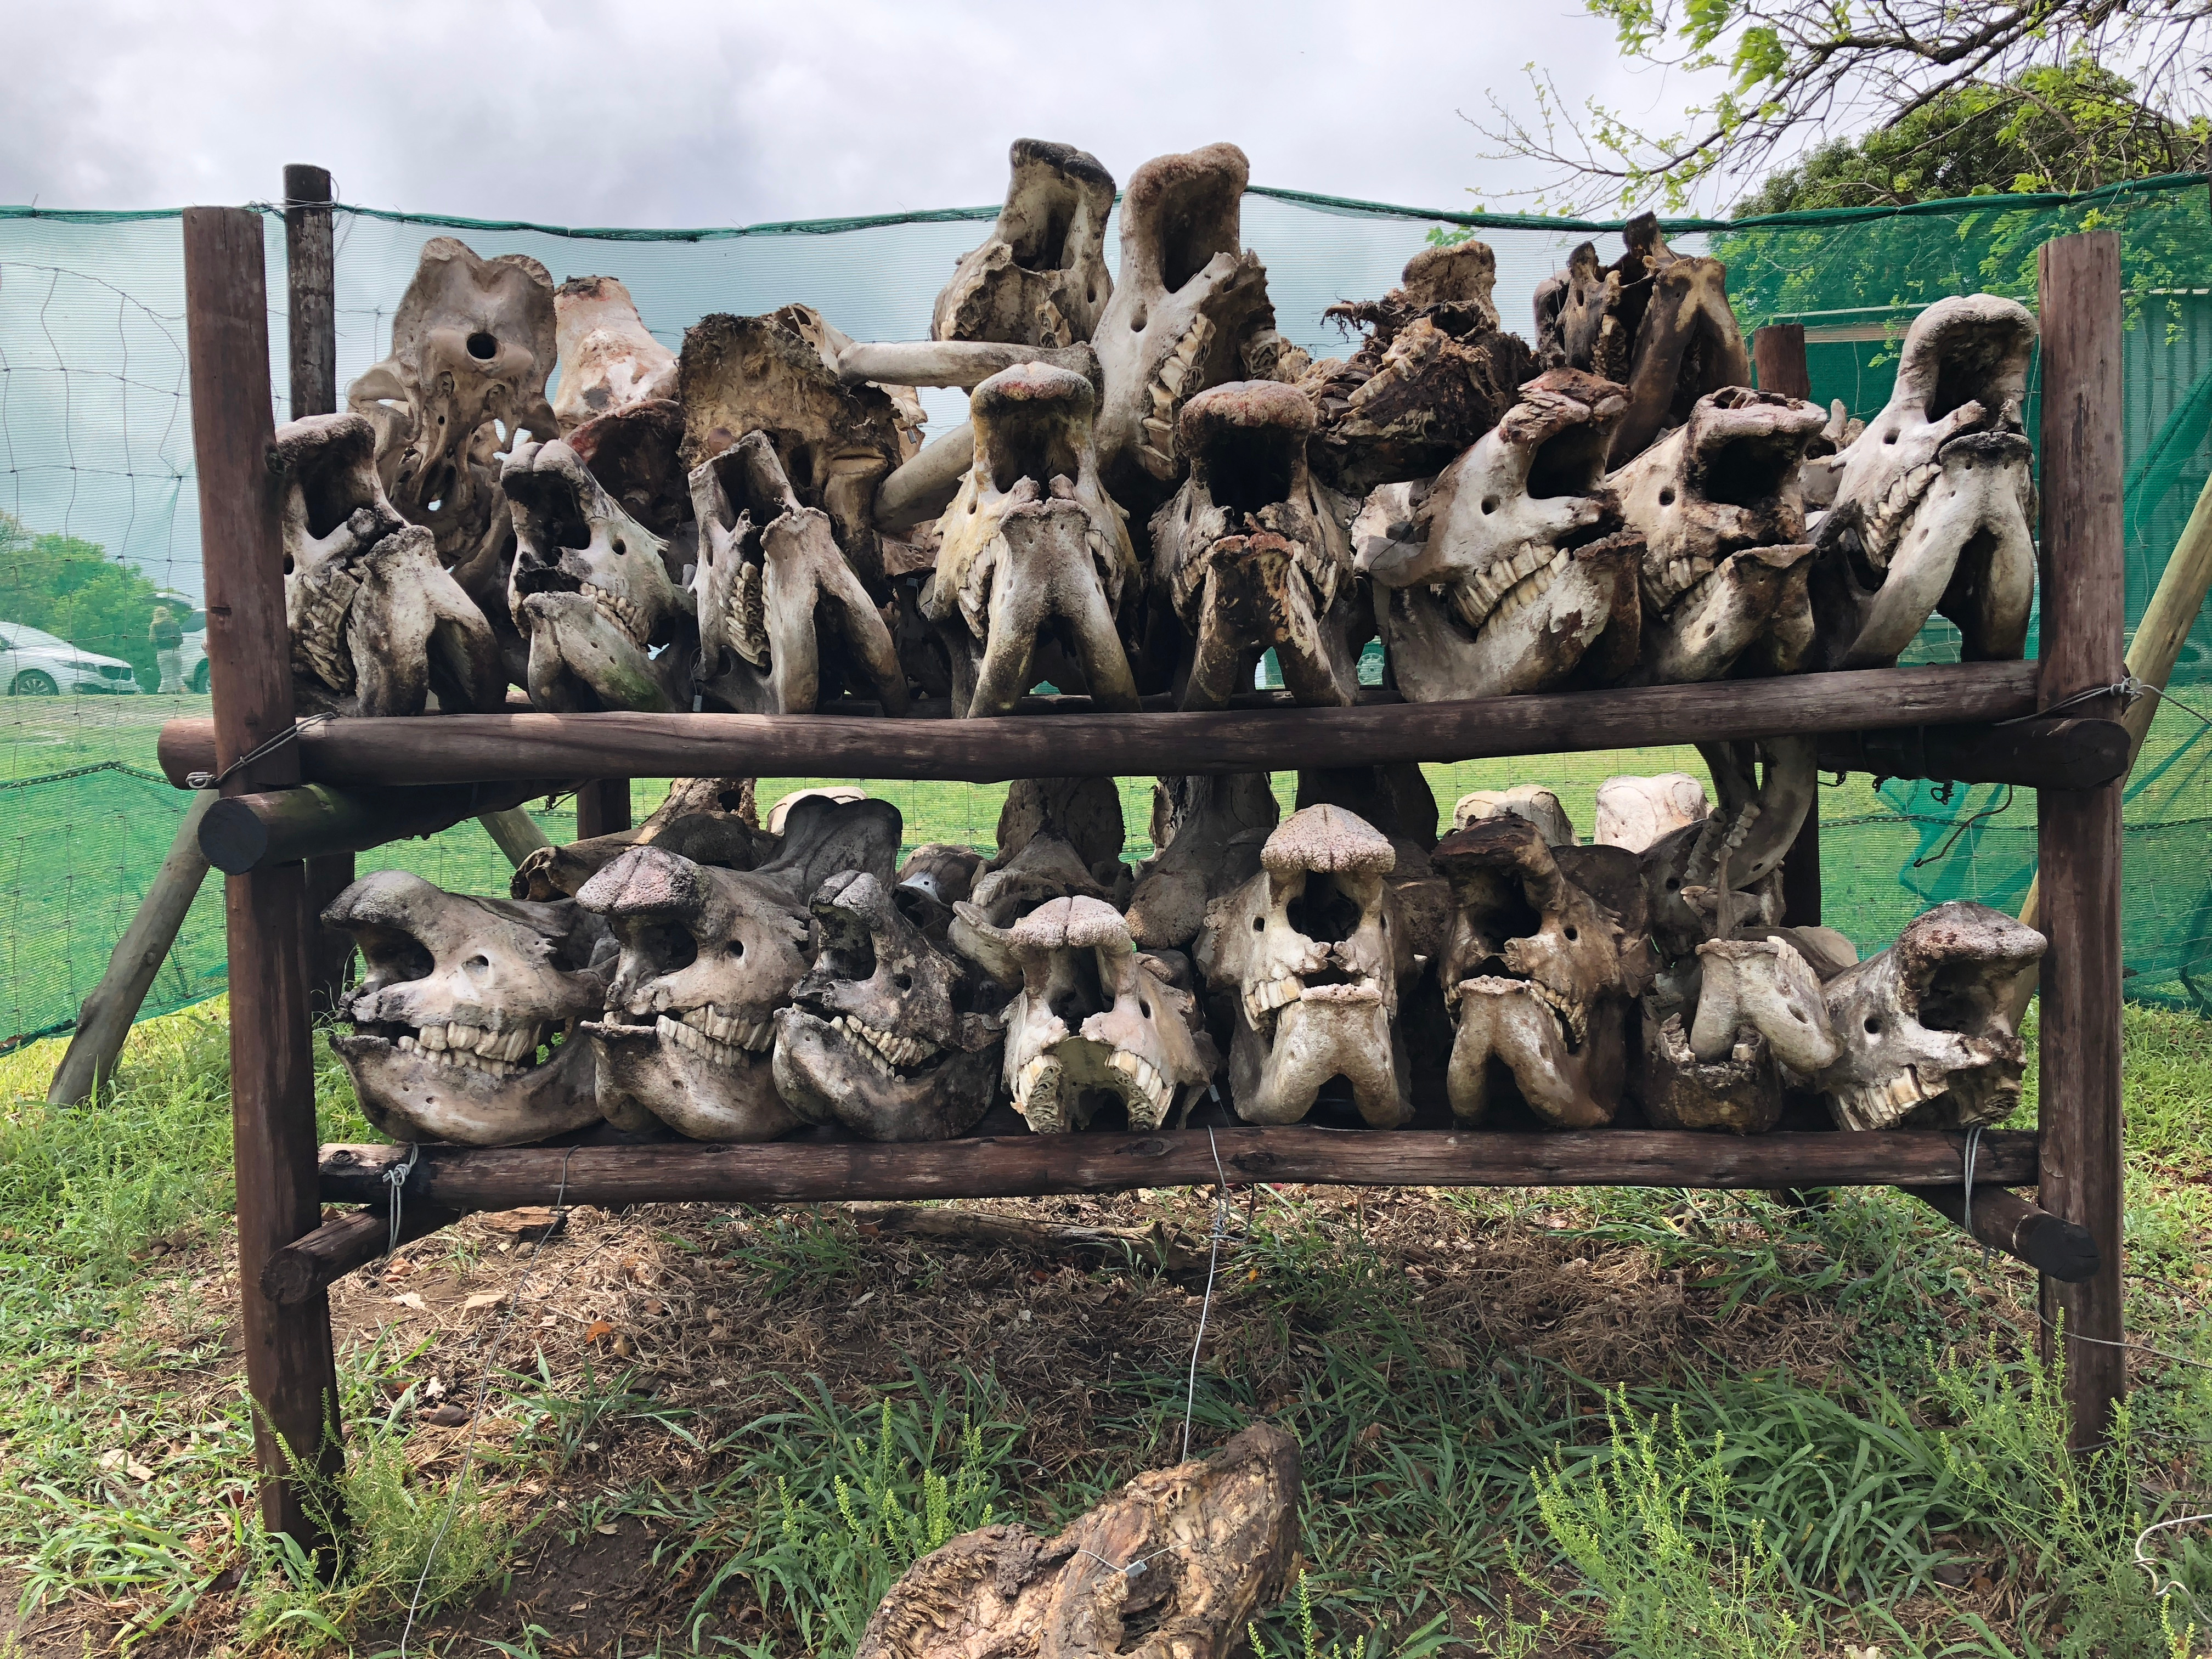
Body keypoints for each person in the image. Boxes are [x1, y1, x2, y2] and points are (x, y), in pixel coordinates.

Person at [150, 606, 185, 694]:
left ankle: (169, 697)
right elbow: (181, 639)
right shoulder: (175, 624)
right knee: (177, 675)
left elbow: (152, 640)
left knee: (167, 677)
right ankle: (183, 693)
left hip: (163, 653)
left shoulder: (154, 626)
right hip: (176, 652)